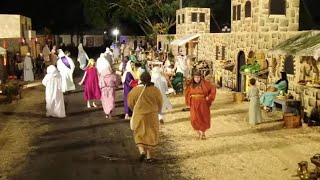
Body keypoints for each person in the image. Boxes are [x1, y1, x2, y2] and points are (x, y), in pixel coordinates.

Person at [128, 71, 163, 162]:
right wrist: (158, 111)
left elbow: (130, 103)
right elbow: (160, 102)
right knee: (151, 134)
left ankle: (141, 151)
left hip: (139, 115)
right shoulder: (155, 90)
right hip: (152, 115)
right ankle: (149, 157)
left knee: (139, 133)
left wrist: (135, 110)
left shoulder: (135, 90)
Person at [185, 70, 216, 140]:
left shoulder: (205, 84)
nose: (197, 79)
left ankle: (203, 133)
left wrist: (209, 97)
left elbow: (213, 88)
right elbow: (187, 93)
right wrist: (188, 101)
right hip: (194, 103)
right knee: (194, 119)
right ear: (193, 78)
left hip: (203, 103)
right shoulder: (190, 85)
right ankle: (199, 133)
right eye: (195, 77)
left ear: (200, 78)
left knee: (203, 118)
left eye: (198, 77)